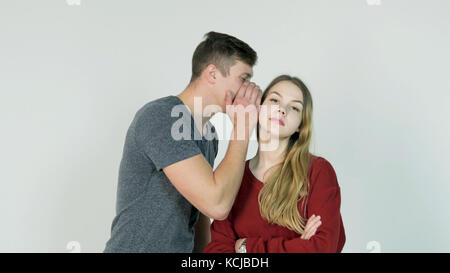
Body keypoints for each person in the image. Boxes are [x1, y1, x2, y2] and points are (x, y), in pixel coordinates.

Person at [104, 31, 263, 253]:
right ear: (212, 74)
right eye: (244, 79)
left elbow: (199, 215)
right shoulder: (162, 117)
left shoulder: (211, 135)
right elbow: (217, 204)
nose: (249, 90)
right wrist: (243, 128)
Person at [203, 75, 346, 253]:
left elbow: (323, 248)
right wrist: (298, 246)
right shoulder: (234, 177)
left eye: (294, 107)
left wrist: (246, 247)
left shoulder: (318, 172)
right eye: (275, 100)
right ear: (259, 108)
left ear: (301, 125)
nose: (282, 109)